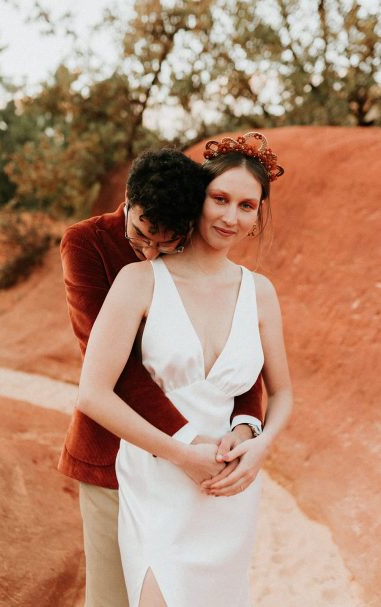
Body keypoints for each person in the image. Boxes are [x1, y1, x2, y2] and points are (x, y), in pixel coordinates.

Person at [77, 132, 293, 606]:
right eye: (220, 198)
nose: (231, 216)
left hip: (228, 491)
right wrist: (180, 454)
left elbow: (281, 394)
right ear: (198, 198)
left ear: (258, 216)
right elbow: (93, 393)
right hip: (156, 480)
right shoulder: (140, 281)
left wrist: (259, 445)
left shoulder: (261, 293)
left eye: (247, 206)